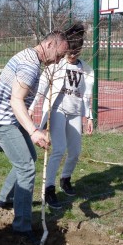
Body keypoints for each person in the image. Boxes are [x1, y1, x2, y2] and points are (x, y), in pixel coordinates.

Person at [0, 31, 69, 244]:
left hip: (9, 119)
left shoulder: (29, 56)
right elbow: (16, 100)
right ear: (49, 44)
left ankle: (4, 199)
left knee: (28, 158)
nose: (58, 60)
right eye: (58, 55)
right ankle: (21, 226)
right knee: (27, 168)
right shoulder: (30, 65)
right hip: (3, 122)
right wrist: (33, 131)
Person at [28, 22, 94, 208]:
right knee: (59, 149)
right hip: (57, 110)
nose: (72, 56)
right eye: (69, 52)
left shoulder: (86, 70)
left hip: (75, 113)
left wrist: (89, 116)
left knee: (75, 151)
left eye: (76, 52)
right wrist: (32, 107)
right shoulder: (56, 65)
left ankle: (65, 179)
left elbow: (87, 95)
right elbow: (41, 87)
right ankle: (49, 189)